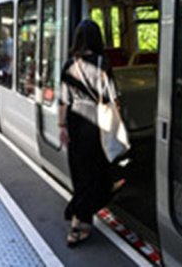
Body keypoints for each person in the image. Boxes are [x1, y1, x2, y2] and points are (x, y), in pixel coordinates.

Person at [58, 19, 123, 247]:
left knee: (81, 173)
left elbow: (63, 101)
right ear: (97, 39)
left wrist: (62, 126)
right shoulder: (102, 64)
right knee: (97, 173)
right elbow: (112, 98)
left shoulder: (69, 65)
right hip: (97, 122)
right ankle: (76, 222)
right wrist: (119, 121)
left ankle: (79, 219)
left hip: (76, 120)